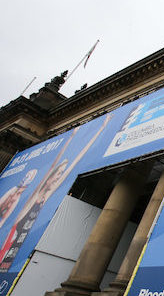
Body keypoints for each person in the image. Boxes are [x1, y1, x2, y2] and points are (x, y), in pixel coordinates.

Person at [0, 115, 111, 272]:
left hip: (19, 249)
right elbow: (55, 163)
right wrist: (69, 139)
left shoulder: (46, 197)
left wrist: (100, 129)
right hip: (9, 244)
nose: (58, 177)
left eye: (60, 175)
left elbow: (74, 163)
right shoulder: (34, 196)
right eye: (57, 174)